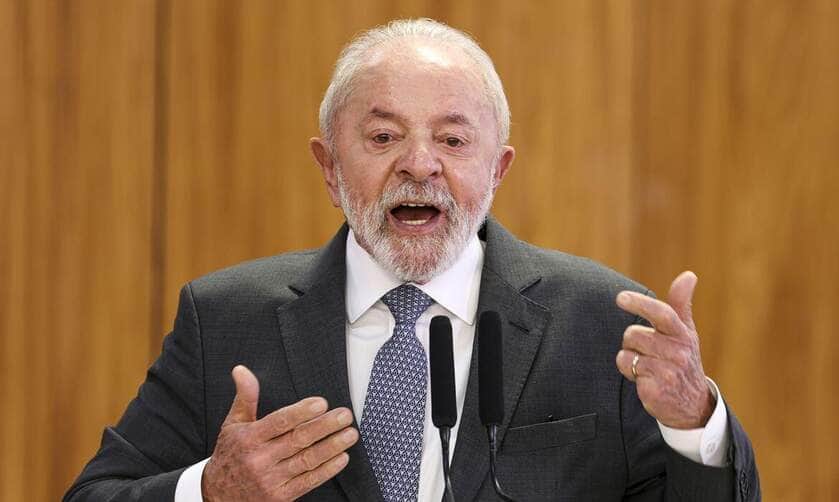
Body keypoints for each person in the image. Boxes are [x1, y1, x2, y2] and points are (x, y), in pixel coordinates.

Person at [65, 18, 759, 502]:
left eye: (453, 141)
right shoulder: (224, 319)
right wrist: (211, 493)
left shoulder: (600, 324)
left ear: (498, 170)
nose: (419, 165)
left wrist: (694, 422)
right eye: (383, 135)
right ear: (329, 168)